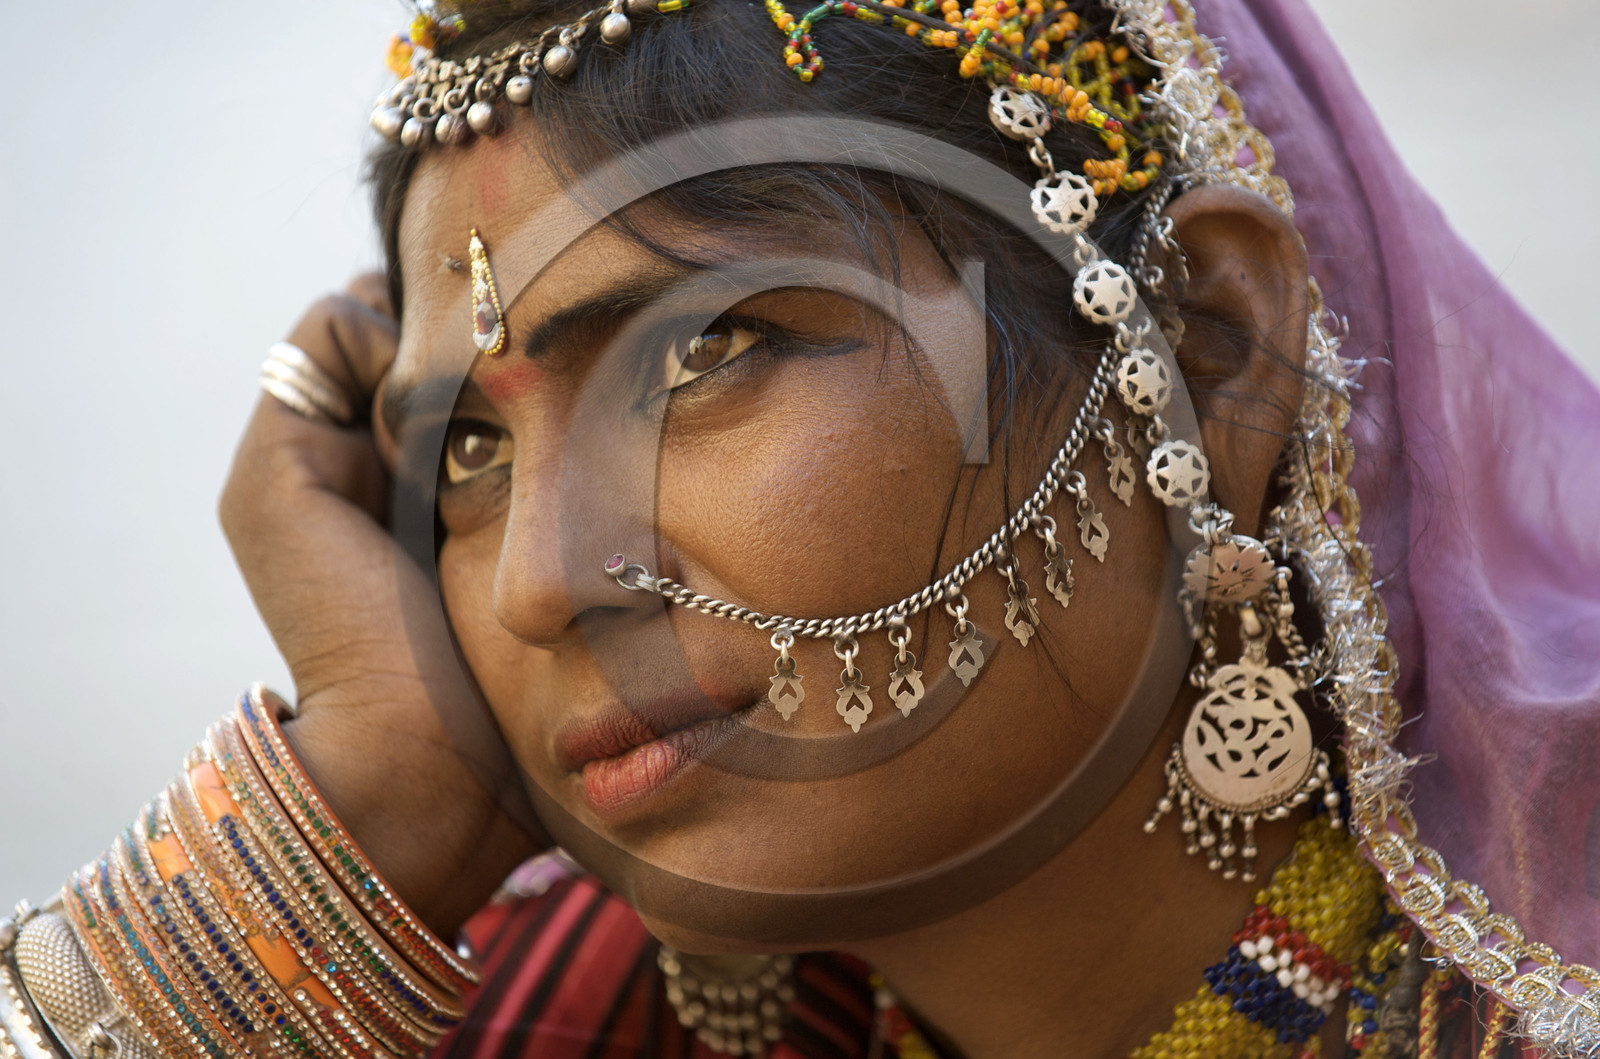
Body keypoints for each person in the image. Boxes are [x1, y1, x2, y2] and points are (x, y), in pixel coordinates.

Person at [2, 0, 1596, 1056]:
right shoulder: (545, 1019)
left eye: (704, 353)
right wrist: (360, 818)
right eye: (467, 452)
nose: (546, 581)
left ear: (1203, 351)